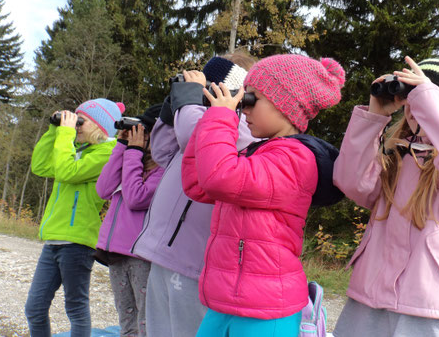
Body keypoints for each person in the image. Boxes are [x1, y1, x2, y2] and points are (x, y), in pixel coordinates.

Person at [181, 54, 345, 337]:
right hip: (228, 300)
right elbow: (197, 184)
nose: (243, 109)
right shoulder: (260, 152)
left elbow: (220, 178)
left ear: (284, 105)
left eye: (251, 98)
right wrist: (211, 118)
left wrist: (221, 118)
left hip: (267, 307)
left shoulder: (295, 159)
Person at [332, 56, 439, 337]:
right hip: (370, 297)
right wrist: (374, 117)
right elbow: (350, 182)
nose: (415, 106)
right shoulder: (396, 156)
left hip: (434, 305)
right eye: (410, 98)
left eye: (424, 97)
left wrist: (429, 98)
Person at [131, 53, 257, 337]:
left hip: (194, 259)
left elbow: (196, 139)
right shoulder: (199, 118)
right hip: (163, 249)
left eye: (208, 89)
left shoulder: (244, 130)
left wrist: (189, 103)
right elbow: (163, 151)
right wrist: (171, 107)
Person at [25, 98, 125, 337]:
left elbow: (67, 172)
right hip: (54, 241)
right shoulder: (75, 151)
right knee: (34, 308)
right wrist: (54, 130)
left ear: (100, 127)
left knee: (75, 308)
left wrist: (65, 135)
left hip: (78, 242)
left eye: (81, 122)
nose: (76, 126)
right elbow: (40, 166)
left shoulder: (106, 154)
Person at [94, 104, 164, 337]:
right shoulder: (132, 160)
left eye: (143, 130)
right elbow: (103, 189)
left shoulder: (163, 169)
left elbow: (136, 198)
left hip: (140, 256)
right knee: (127, 322)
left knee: (145, 323)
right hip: (116, 252)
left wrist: (133, 152)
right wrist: (122, 146)